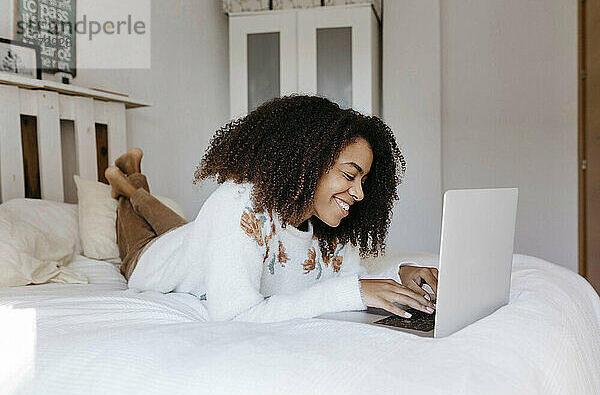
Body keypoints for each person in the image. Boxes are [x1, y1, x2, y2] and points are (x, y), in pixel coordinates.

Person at [106, 95, 438, 323]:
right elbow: (235, 316)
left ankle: (133, 184)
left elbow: (351, 277)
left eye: (364, 180)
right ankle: (127, 188)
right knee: (143, 240)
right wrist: (350, 294)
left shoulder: (328, 224)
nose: (360, 193)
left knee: (184, 228)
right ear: (308, 164)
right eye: (350, 175)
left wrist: (402, 275)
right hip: (153, 260)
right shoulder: (236, 203)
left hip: (192, 241)